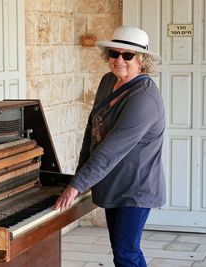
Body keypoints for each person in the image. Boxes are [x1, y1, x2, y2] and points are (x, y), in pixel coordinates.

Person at [53, 26, 166, 266]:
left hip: (135, 187)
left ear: (142, 61)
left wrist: (77, 185)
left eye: (127, 55)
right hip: (113, 181)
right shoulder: (108, 81)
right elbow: (92, 130)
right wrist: (80, 173)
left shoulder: (144, 98)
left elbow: (112, 148)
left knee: (126, 252)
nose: (118, 60)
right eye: (114, 54)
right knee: (122, 250)